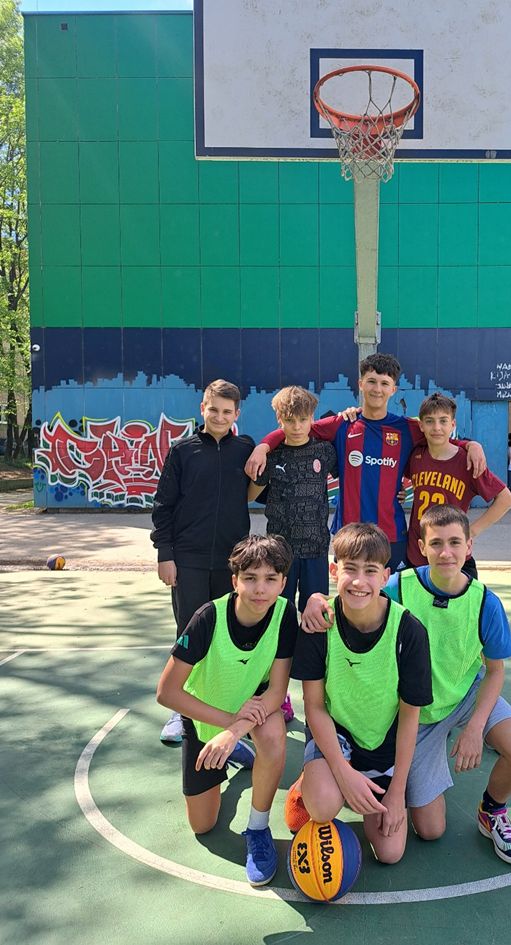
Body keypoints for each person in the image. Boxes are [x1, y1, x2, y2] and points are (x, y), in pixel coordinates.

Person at [300, 504, 511, 866]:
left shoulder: (485, 603)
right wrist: (315, 599)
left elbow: (495, 671)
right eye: (436, 543)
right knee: (429, 829)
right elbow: (356, 590)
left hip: (463, 697)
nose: (446, 552)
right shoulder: (399, 587)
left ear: (469, 547)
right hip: (418, 713)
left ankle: (493, 811)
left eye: (455, 543)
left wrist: (476, 727)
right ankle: (325, 781)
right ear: (422, 547)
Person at [245, 353, 486, 573]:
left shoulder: (407, 428)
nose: (377, 389)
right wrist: (263, 446)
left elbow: (439, 435)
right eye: (371, 381)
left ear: (393, 389)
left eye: (384, 383)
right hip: (348, 533)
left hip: (392, 535)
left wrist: (470, 445)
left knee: (390, 599)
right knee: (353, 596)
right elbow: (296, 428)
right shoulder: (343, 423)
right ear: (360, 384)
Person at [156, 535, 298, 886]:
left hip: (251, 711)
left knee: (274, 735)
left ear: (283, 583)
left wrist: (234, 730)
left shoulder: (284, 613)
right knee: (203, 826)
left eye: (270, 579)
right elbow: (167, 693)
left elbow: (277, 691)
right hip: (206, 717)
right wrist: (227, 726)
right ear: (235, 581)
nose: (260, 588)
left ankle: (258, 829)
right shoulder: (208, 617)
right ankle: (234, 749)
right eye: (250, 578)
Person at [290, 522, 432, 864]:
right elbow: (314, 707)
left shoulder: (409, 631)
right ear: (333, 571)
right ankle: (311, 781)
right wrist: (343, 772)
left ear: (385, 577)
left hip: (384, 741)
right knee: (323, 806)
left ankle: (362, 783)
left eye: (370, 571)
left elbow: (410, 716)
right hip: (337, 734)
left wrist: (397, 792)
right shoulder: (319, 624)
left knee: (390, 854)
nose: (358, 581)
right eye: (350, 569)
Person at [151, 379, 257, 745]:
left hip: (232, 563)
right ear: (202, 409)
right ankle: (181, 711)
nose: (220, 417)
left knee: (229, 635)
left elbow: (261, 489)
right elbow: (163, 507)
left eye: (227, 412)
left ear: (237, 414)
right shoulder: (183, 451)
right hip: (189, 560)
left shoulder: (245, 449)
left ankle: (230, 709)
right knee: (189, 633)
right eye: (214, 409)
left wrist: (263, 455)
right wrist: (165, 555)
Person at [249, 386, 337, 612]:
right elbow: (249, 496)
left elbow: (353, 476)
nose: (297, 427)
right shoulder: (271, 456)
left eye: (303, 419)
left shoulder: (325, 452)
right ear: (279, 419)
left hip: (316, 549)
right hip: (279, 550)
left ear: (312, 418)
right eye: (289, 420)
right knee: (279, 612)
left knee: (315, 614)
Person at [405, 392, 511, 571]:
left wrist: (471, 531)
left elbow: (506, 499)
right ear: (421, 426)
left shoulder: (468, 461)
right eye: (430, 421)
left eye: (443, 421)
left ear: (453, 424)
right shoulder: (416, 455)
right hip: (417, 555)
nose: (437, 427)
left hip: (453, 558)